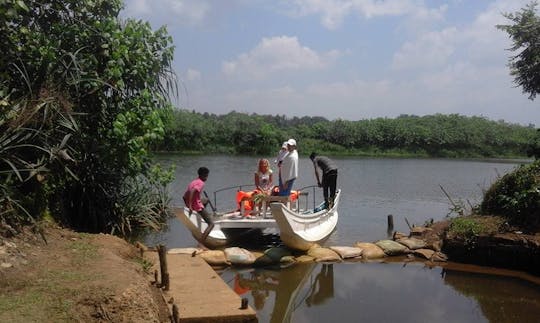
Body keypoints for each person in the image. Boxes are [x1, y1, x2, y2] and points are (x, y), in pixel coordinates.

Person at [183, 167, 214, 241]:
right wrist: (190, 207)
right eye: (207, 176)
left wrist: (187, 205)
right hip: (196, 206)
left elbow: (184, 196)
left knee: (206, 200)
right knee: (211, 224)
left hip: (194, 203)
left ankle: (201, 217)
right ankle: (201, 243)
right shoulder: (201, 183)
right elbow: (192, 191)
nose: (207, 178)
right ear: (204, 175)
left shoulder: (193, 182)